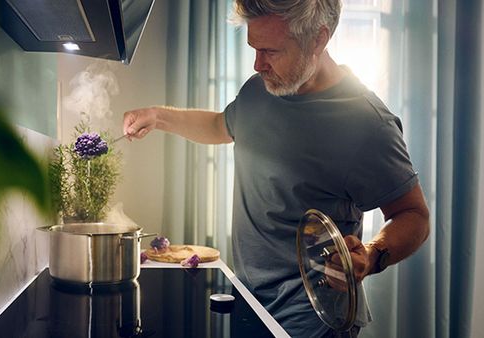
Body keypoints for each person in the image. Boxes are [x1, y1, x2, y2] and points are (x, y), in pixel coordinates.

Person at [122, 0, 430, 337]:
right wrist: (158, 116)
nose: (257, 64)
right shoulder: (260, 88)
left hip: (314, 315)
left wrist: (370, 256)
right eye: (254, 48)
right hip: (249, 300)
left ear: (318, 39)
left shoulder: (368, 123)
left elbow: (414, 215)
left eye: (271, 51)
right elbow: (219, 127)